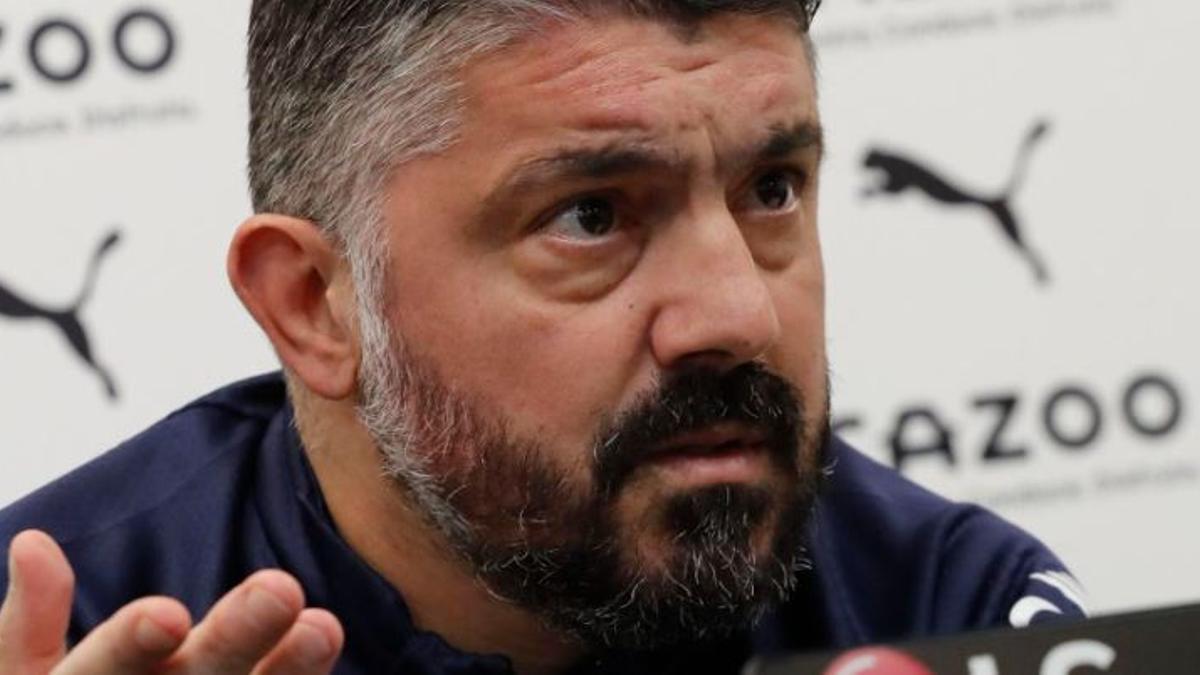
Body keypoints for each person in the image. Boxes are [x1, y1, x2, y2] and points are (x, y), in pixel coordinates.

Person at [0, 1, 1087, 673]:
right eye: (592, 215)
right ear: (315, 305)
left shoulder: (947, 613)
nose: (739, 316)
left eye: (770, 190)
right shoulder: (53, 632)